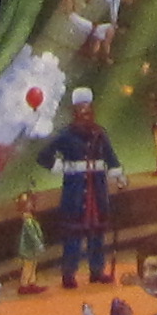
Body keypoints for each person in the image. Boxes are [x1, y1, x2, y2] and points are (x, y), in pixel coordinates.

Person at [42, 90, 121, 287]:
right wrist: (62, 167)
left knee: (97, 233)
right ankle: (69, 274)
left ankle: (97, 271)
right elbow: (44, 156)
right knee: (73, 235)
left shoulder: (100, 134)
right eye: (81, 111)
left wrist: (118, 175)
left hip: (97, 191)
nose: (86, 115)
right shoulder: (65, 135)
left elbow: (110, 157)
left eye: (88, 111)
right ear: (75, 112)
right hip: (75, 192)